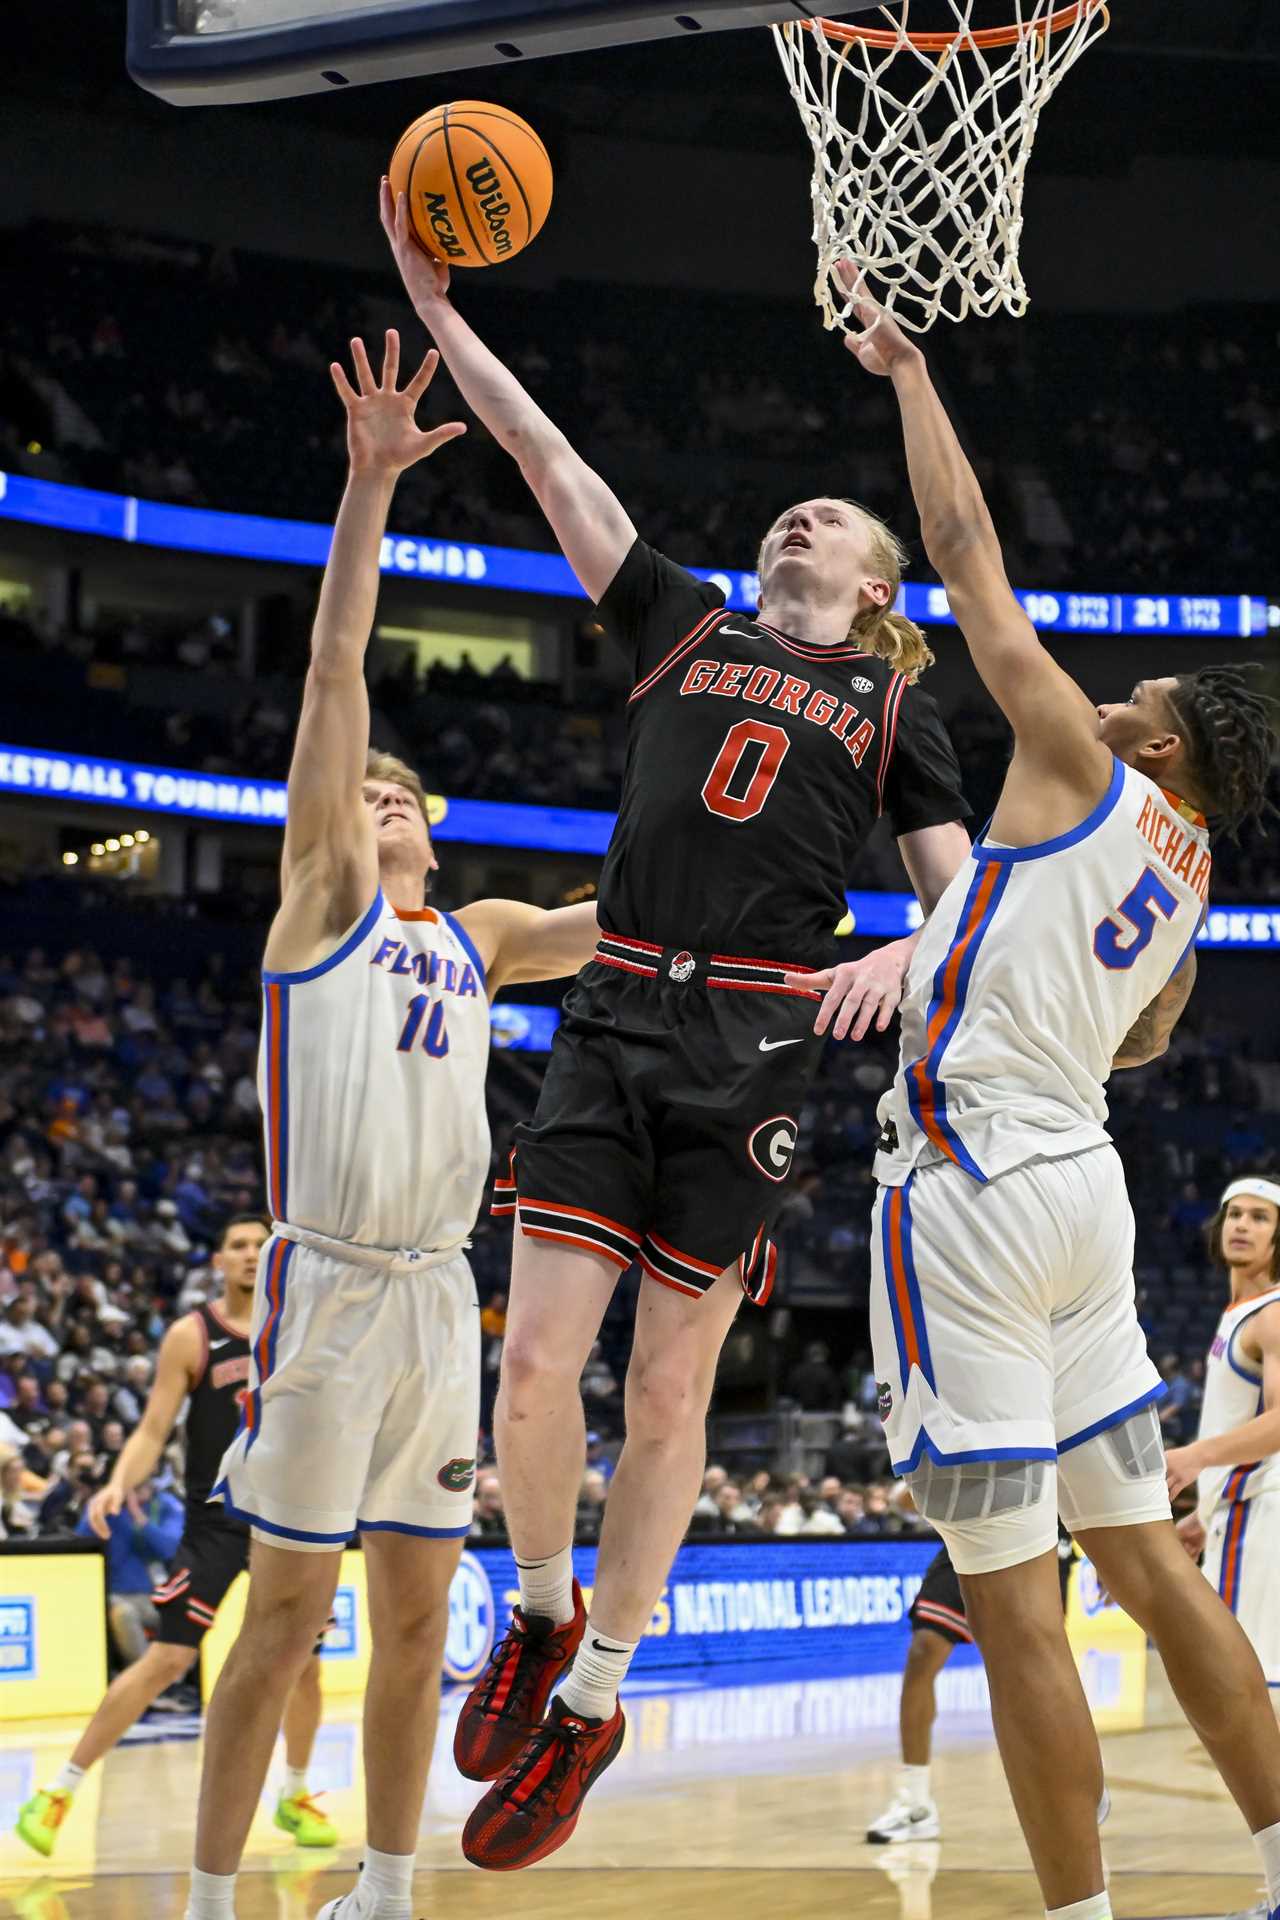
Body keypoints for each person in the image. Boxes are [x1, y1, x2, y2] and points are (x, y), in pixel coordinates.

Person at [381, 179, 973, 1873]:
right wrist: (440, 313)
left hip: (758, 1051)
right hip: (615, 1014)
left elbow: (960, 903)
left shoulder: (894, 706)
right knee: (537, 1364)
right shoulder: (678, 621)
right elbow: (553, 461)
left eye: (829, 522)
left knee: (663, 1391)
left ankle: (599, 1704)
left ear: (873, 587)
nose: (799, 525)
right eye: (787, 515)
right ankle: (547, 1616)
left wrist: (909, 960)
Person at [844, 272, 1280, 1920]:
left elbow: (965, 558)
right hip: (1081, 1193)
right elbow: (1150, 1033)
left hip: (964, 1183)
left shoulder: (1081, 764)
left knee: (1012, 1596)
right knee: (1152, 1572)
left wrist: (910, 377)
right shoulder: (1195, 871)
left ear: (1158, 750)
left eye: (1141, 704)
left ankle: (1079, 1917)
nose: (1111, 698)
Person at [184, 330, 601, 1920]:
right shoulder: (320, 908)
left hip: (440, 1291)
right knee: (281, 1617)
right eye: (367, 794)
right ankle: (217, 1895)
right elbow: (335, 675)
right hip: (324, 1285)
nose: (384, 802)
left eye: (403, 797)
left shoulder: (478, 929)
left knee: (421, 1623)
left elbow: (624, 919)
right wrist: (366, 491)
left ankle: (387, 1886)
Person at [15, 1216, 334, 1860]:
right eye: (238, 1246)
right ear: (219, 1260)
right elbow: (153, 1428)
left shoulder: (299, 1328)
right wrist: (115, 1483)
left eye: (260, 1246)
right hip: (215, 1523)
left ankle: (295, 1793)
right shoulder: (192, 1336)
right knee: (167, 1659)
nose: (250, 1255)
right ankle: (58, 1790)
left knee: (305, 1662)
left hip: (288, 1522)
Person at [867, 1514, 1080, 1843]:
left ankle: (1075, 1792)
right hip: (971, 1519)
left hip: (1040, 1523)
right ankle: (915, 1803)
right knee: (923, 1650)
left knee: (1037, 1674)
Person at [1165, 1175, 1280, 1689]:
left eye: (1260, 1218)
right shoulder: (1237, 1314)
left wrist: (1194, 1458)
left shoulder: (1272, 1316)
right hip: (1237, 1514)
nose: (1242, 1225)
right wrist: (1204, 1512)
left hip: (1261, 1519)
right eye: (1235, 1213)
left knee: (1245, 1697)